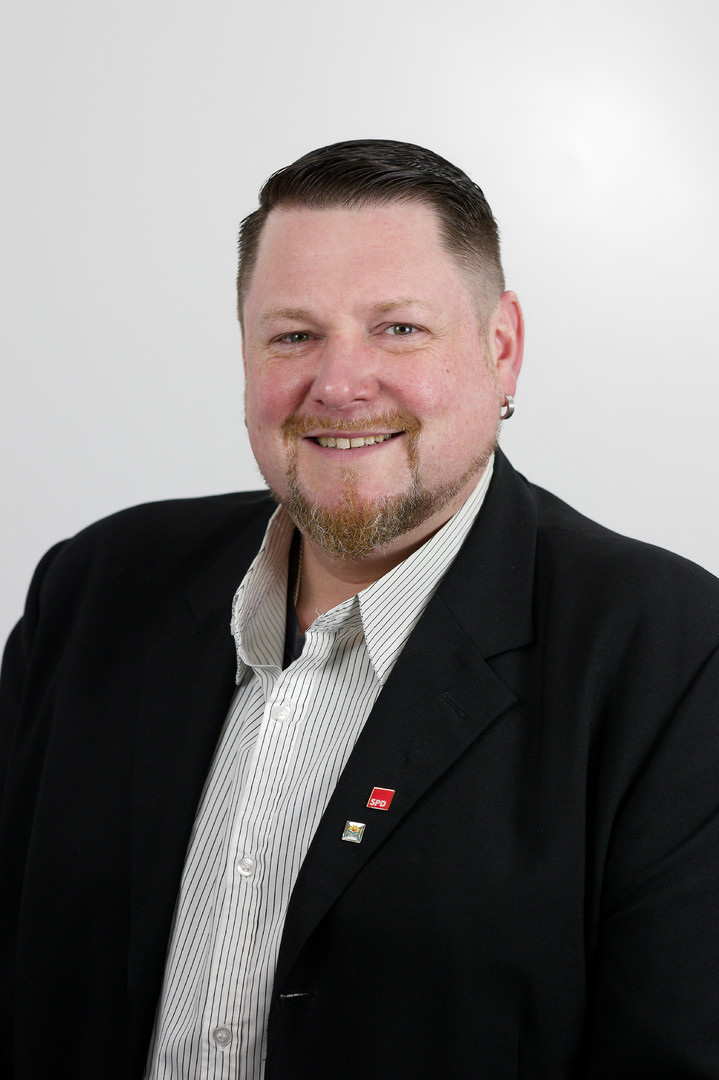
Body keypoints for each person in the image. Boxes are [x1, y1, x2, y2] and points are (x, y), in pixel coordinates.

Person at [1, 139, 718, 1080]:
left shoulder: (669, 653)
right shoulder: (95, 587)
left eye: (398, 329)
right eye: (293, 336)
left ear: (500, 349)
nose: (339, 385)